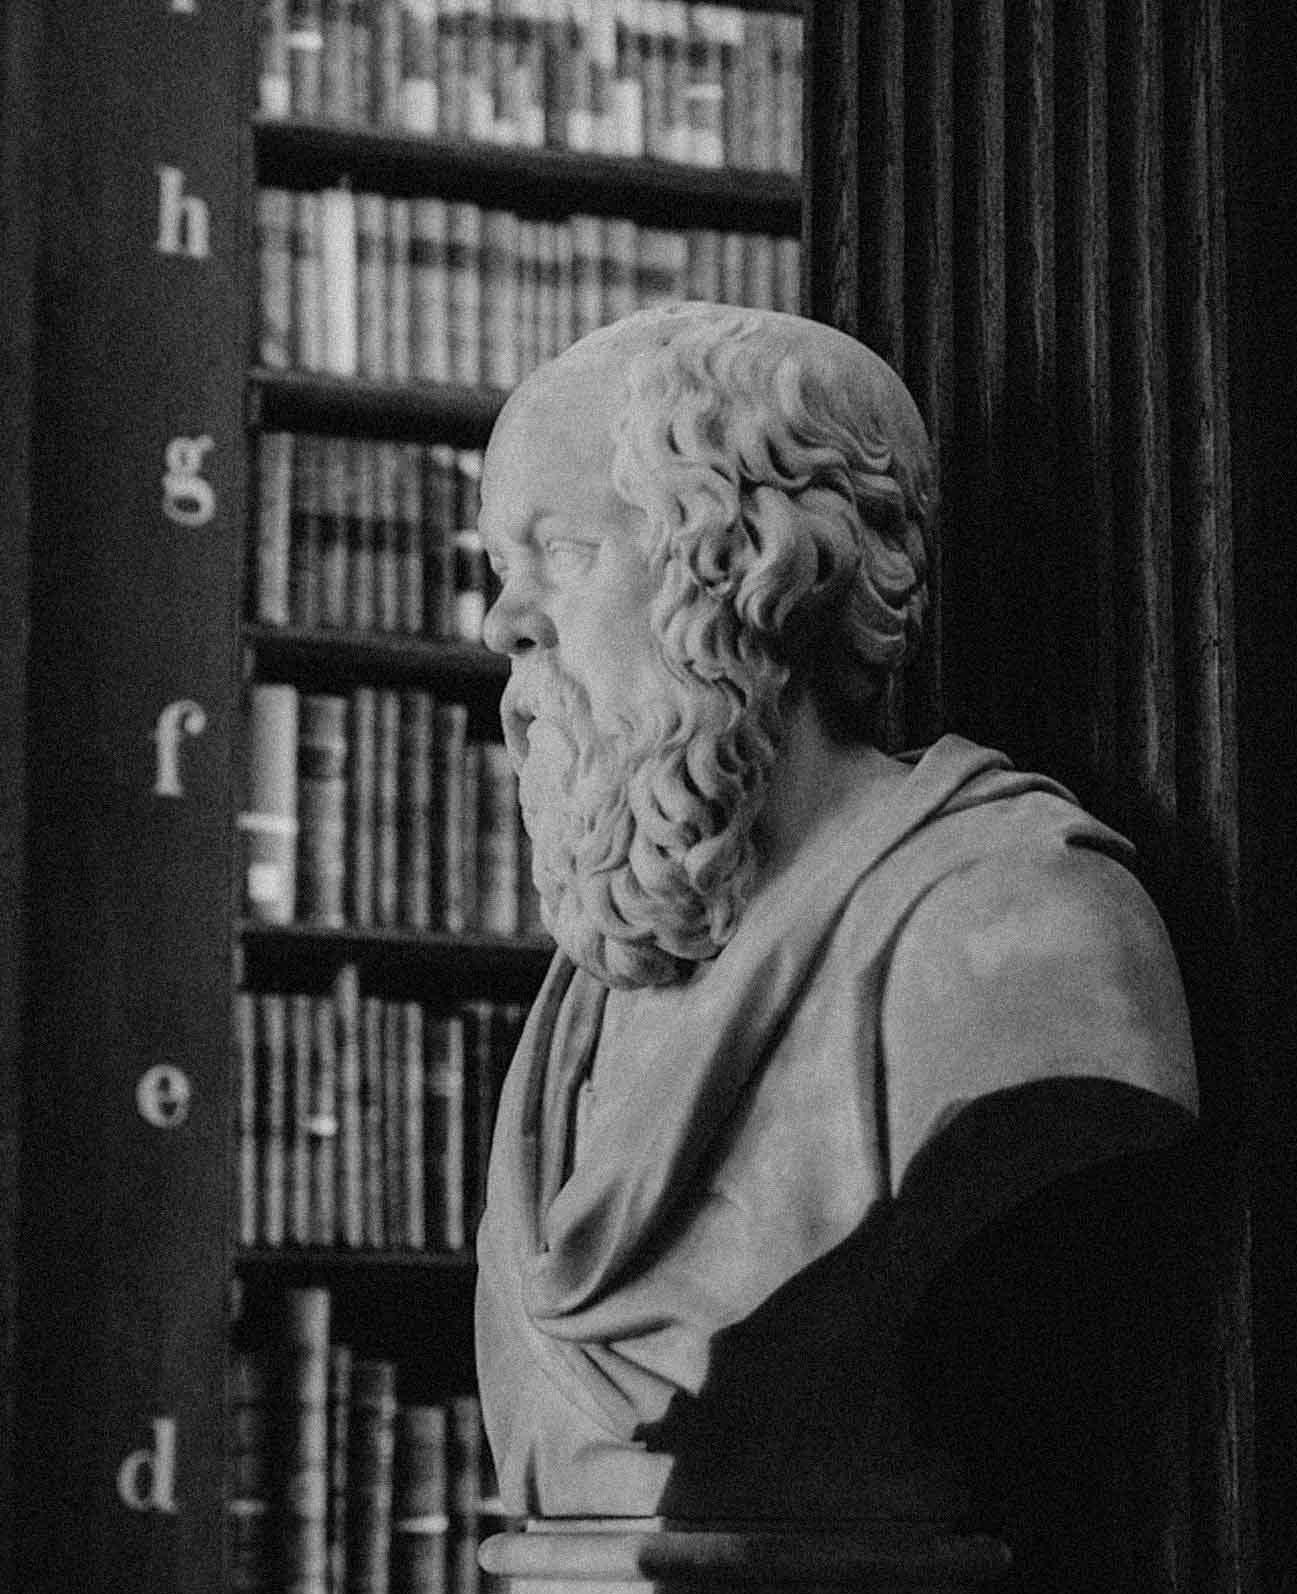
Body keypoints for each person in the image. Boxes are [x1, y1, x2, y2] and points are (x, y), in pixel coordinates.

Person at [466, 304, 1201, 1523]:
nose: (503, 623)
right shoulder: (596, 994)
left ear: (758, 573)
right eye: (501, 568)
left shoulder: (1017, 933)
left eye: (568, 552)